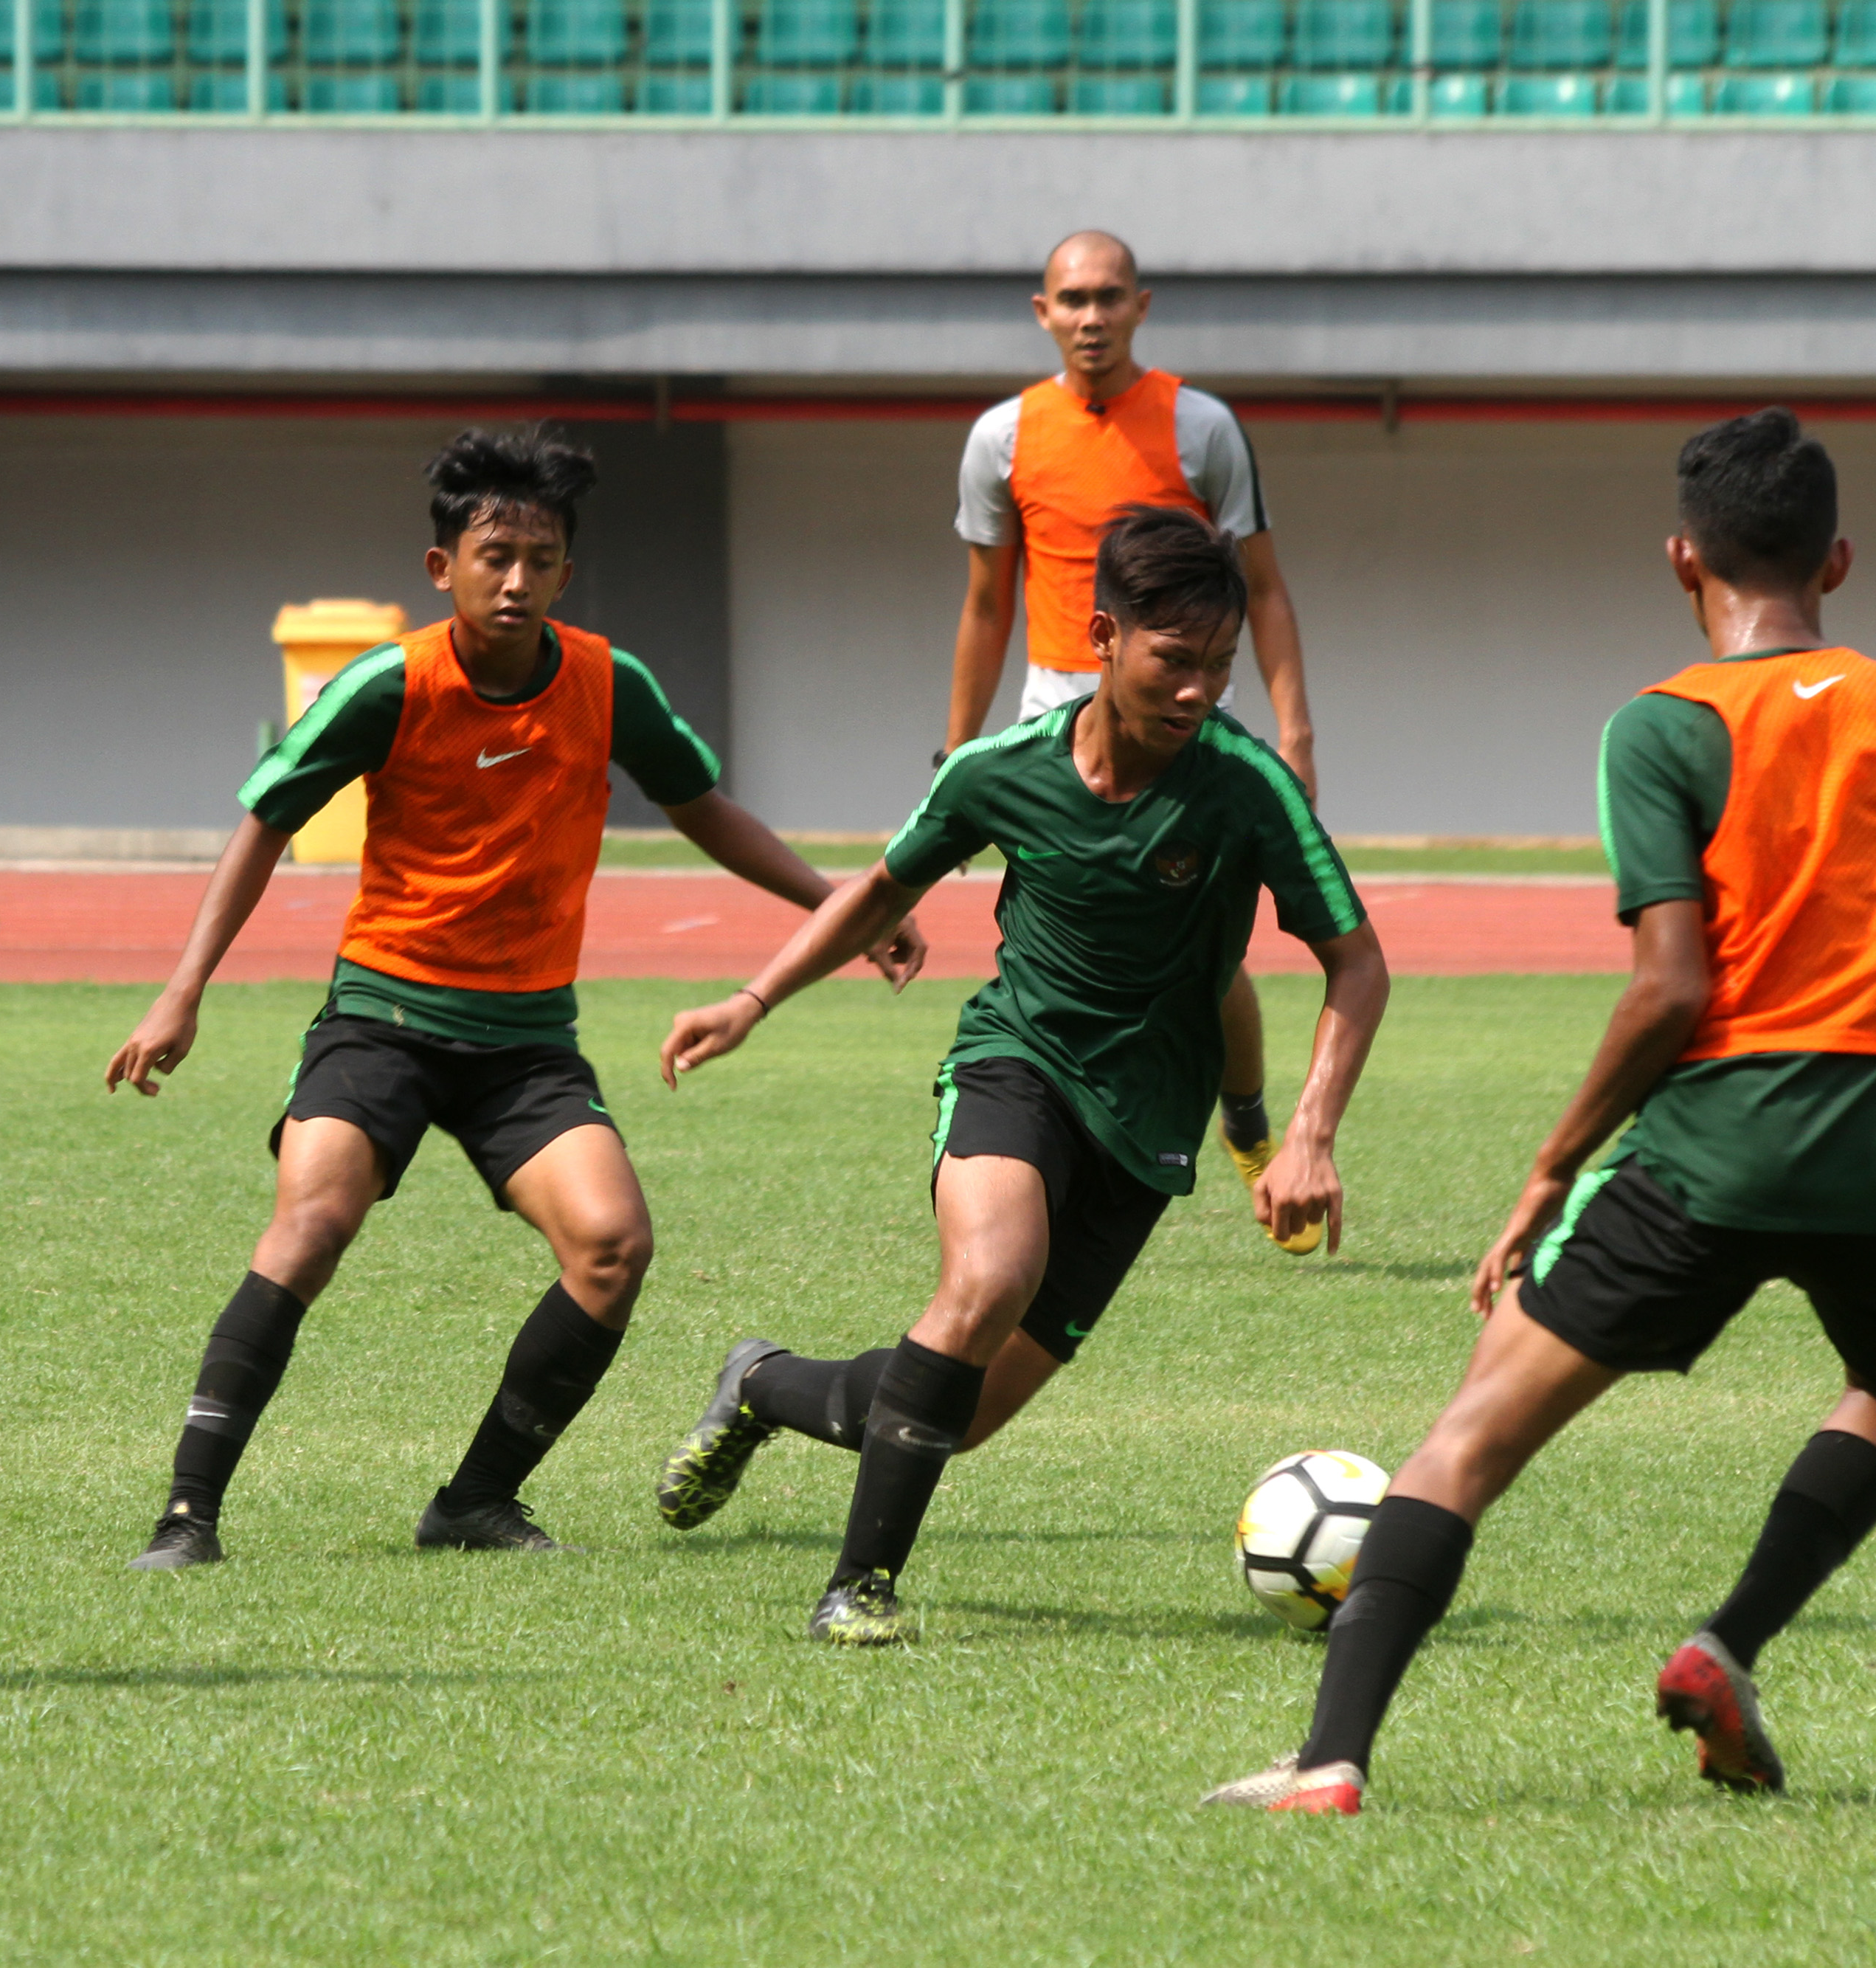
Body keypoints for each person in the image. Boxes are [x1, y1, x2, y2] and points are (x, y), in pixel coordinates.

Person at [1202, 409, 1876, 1817]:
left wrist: (1551, 1171)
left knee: (1466, 1441)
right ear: (1836, 561)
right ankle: (1731, 1644)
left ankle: (1331, 1759)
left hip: (1716, 1149)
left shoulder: (1660, 730)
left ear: (1683, 561)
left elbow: (1672, 988)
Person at [105, 427, 922, 1568]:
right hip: (380, 1018)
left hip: (526, 1044)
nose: (516, 579)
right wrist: (179, 994)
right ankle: (187, 1517)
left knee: (612, 1245)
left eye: (539, 559)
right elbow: (266, 823)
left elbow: (702, 807)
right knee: (312, 1222)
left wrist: (845, 905)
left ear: (565, 575)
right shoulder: (389, 683)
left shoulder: (605, 681)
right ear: (442, 568)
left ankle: (476, 1500)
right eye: (494, 555)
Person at [657, 505, 1388, 1645]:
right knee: (990, 1278)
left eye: (1220, 667)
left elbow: (1356, 961)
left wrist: (1305, 1133)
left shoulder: (1247, 790)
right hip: (1018, 1059)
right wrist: (753, 1000)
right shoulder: (1004, 770)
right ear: (1103, 636)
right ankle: (859, 1588)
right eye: (1175, 661)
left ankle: (761, 1382)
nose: (1200, 690)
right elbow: (881, 890)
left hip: (1147, 1124)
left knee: (955, 1411)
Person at [944, 228, 1325, 1254]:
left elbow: (1266, 588)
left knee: (1207, 958)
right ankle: (1034, 1132)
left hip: (1179, 709)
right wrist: (956, 754)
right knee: (1053, 947)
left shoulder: (1202, 428)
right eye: (1072, 299)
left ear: (1141, 307)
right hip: (1050, 724)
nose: (1091, 317)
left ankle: (1242, 1121)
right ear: (1043, 312)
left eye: (1110, 297)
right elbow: (987, 608)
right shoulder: (1002, 438)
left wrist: (1294, 730)